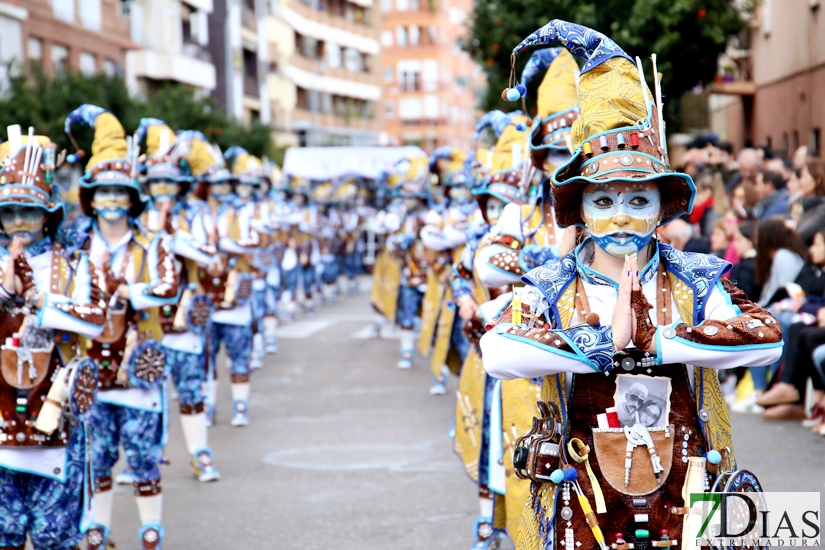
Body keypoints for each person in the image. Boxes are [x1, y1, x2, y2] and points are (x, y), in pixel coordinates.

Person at [480, 21, 783, 549]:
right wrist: (604, 345)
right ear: (581, 210)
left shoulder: (695, 275)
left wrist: (659, 341)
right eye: (604, 201)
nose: (620, 216)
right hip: (582, 494)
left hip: (692, 483)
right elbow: (500, 348)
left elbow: (767, 335)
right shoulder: (551, 285)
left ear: (662, 206)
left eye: (637, 200)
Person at [65, 105, 180, 550]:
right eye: (104, 193)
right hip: (88, 366)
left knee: (143, 453)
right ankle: (97, 527)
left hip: (137, 366)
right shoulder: (74, 242)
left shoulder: (153, 243)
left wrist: (132, 292)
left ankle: (150, 526)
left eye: (121, 193)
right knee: (96, 455)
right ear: (90, 198)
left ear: (133, 198)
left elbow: (170, 288)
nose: (112, 201)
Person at [0, 129, 107, 549]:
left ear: (49, 213)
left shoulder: (74, 265)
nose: (19, 223)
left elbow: (95, 319)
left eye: (29, 211)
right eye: (9, 213)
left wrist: (41, 302)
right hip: (1, 420)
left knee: (53, 537)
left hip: (57, 418)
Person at [137, 120, 221, 483]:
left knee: (190, 389)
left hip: (183, 313)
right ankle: (146, 458)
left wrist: (173, 234)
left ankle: (200, 453)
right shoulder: (136, 215)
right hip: (145, 316)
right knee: (145, 390)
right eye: (156, 182)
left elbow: (209, 255)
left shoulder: (196, 213)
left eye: (169, 182)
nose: (162, 189)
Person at [755, 218, 808, 307]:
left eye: (758, 237)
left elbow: (784, 291)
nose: (756, 241)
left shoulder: (784, 256)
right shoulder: (781, 256)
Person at [727, 221, 760, 301]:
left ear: (750, 241)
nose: (735, 244)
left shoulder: (748, 267)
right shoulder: (745, 263)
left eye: (739, 240)